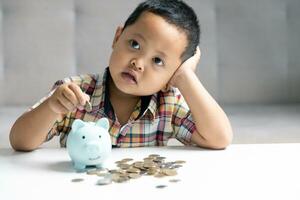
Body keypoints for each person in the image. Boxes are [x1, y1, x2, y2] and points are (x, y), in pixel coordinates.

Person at [9, 0, 233, 151]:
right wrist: (51, 107)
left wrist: (186, 78)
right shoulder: (73, 92)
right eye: (134, 44)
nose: (138, 63)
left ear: (173, 72)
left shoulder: (168, 104)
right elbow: (19, 141)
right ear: (117, 38)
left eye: (157, 60)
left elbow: (219, 138)